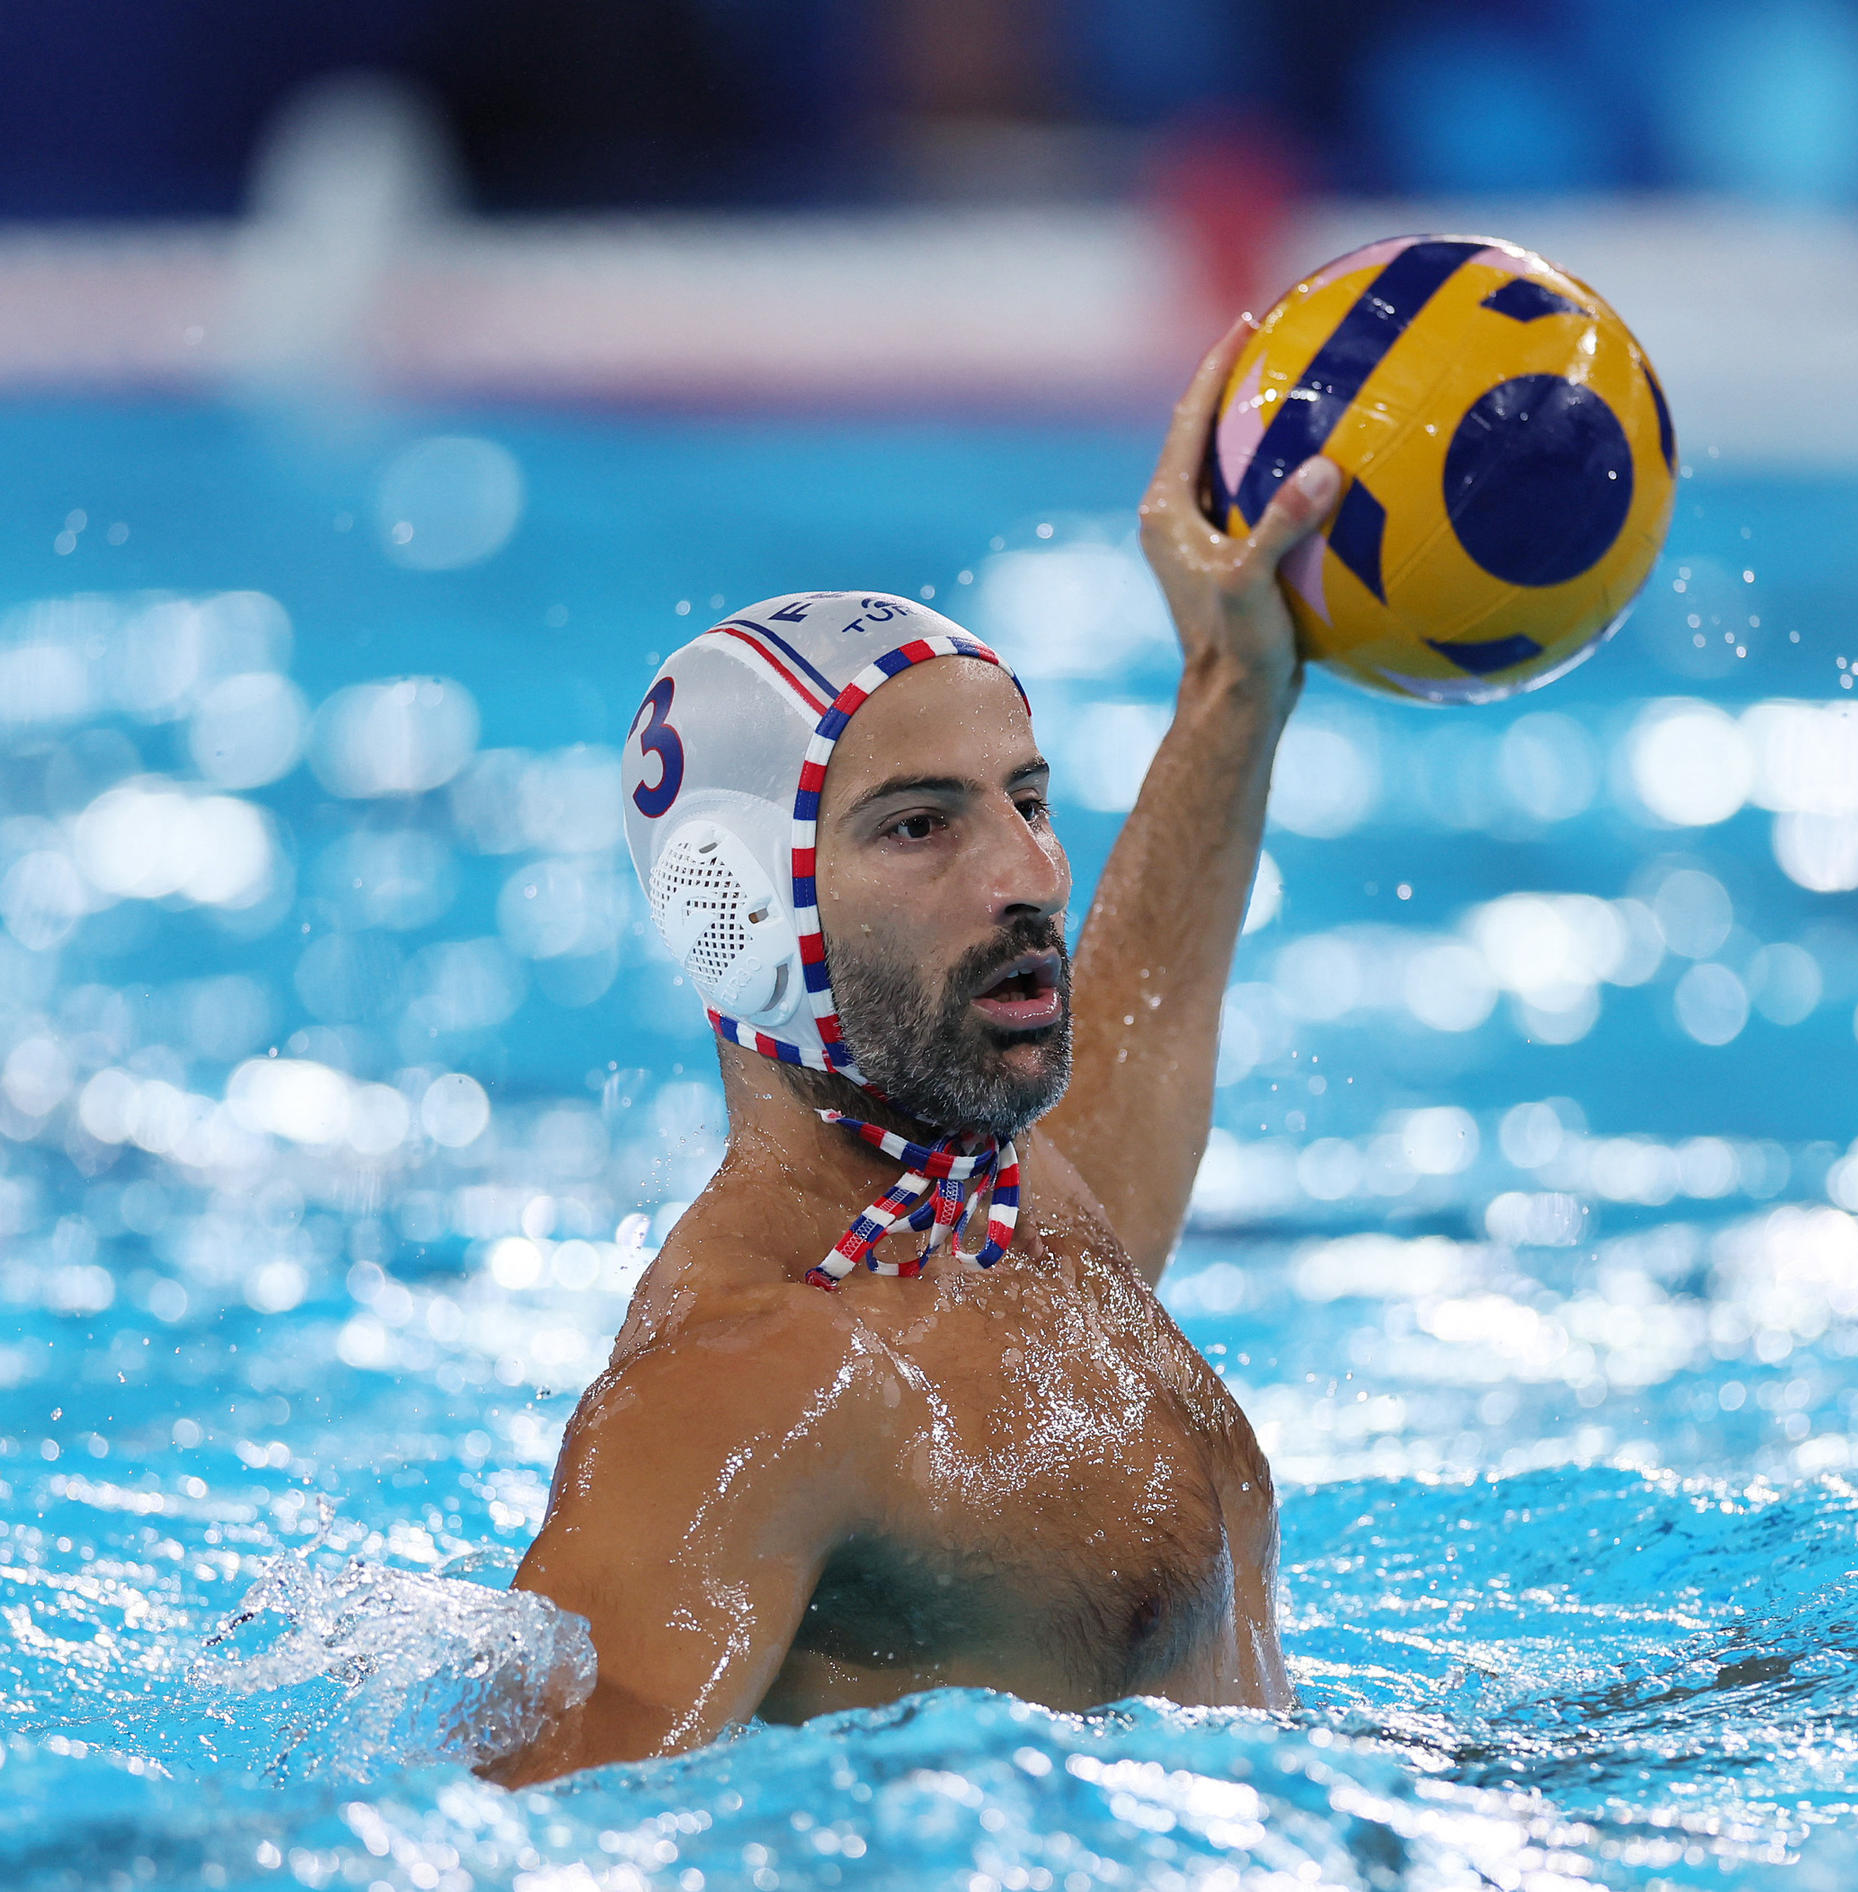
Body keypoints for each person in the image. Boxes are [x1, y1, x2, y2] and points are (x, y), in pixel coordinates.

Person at [485, 324, 1348, 1785]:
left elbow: (1136, 1036)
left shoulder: (1016, 1217)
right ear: (741, 913)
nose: (1029, 873)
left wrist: (1233, 681)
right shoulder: (747, 1390)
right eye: (921, 825)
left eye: (1028, 799)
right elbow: (497, 1852)